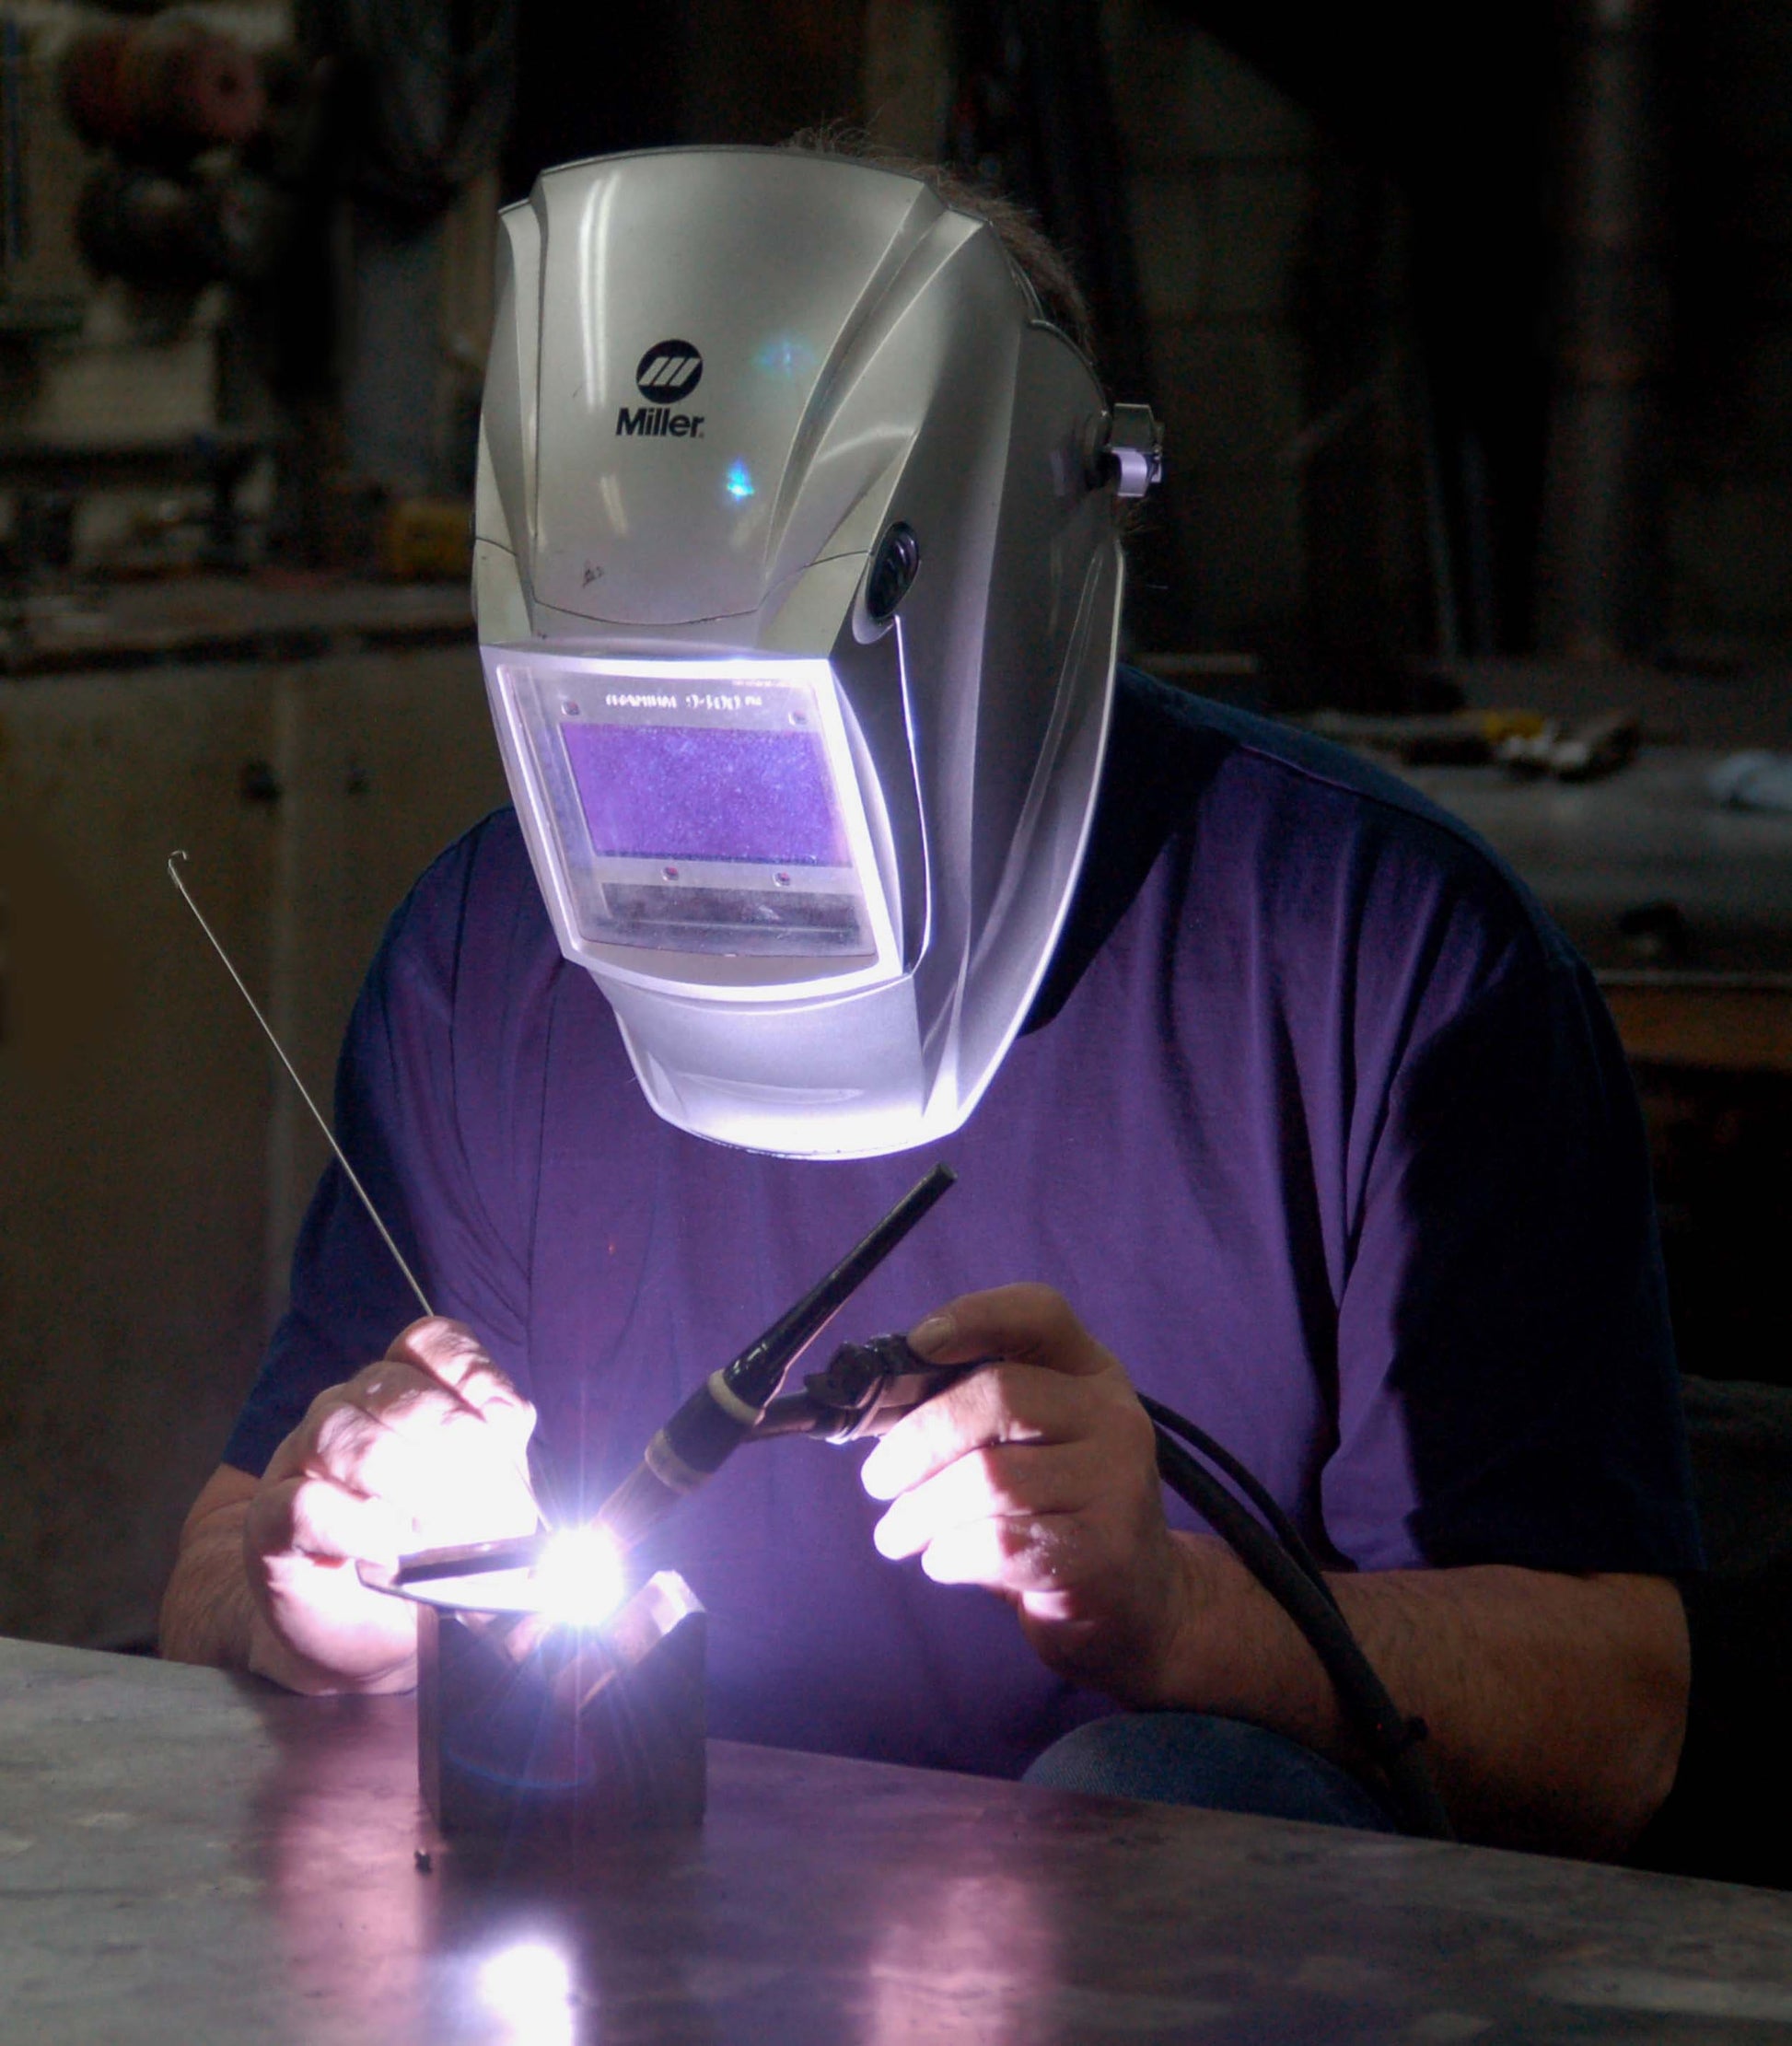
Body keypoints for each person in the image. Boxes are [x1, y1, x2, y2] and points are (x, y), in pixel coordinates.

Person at [161, 142, 1697, 1858]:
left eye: (764, 742)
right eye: (624, 739)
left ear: (999, 579)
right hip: (647, 1925)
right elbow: (214, 1577)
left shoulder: (1383, 954)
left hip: (1181, 1973)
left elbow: (1618, 1717)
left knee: (1157, 1800)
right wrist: (323, 1585)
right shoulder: (483, 952)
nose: (701, 844)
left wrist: (1178, 1614)